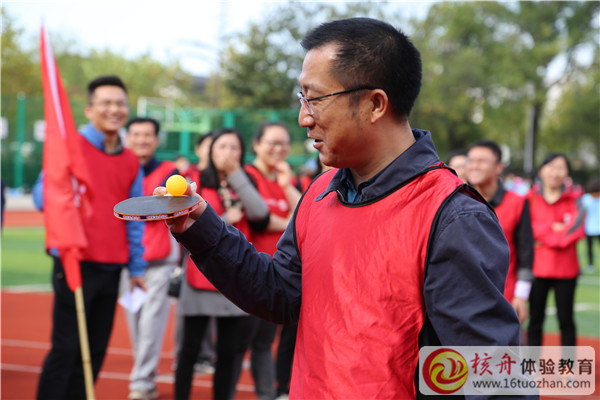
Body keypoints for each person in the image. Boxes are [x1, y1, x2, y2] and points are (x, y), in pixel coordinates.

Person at [156, 18, 524, 399]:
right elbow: (280, 292)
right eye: (302, 99)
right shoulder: (319, 192)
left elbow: (492, 377)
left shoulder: (452, 216)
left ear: (374, 104)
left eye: (314, 98)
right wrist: (202, 227)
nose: (304, 118)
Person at [34, 75, 147, 399]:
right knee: (67, 348)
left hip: (112, 268)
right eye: (106, 103)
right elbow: (42, 198)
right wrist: (62, 187)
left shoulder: (130, 160)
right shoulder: (69, 149)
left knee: (95, 351)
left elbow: (134, 219)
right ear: (89, 109)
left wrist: (137, 268)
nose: (114, 109)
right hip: (75, 263)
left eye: (120, 103)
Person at [175, 128, 270, 400]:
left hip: (233, 277)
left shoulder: (245, 180)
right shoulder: (195, 181)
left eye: (234, 147)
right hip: (199, 275)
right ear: (210, 151)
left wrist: (236, 176)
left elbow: (259, 213)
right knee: (189, 349)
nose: (228, 153)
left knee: (228, 351)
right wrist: (226, 218)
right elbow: (188, 225)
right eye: (222, 147)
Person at [240, 121, 302, 400]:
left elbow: (303, 215)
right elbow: (260, 219)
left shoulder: (285, 178)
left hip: (277, 275)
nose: (279, 149)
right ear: (256, 145)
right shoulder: (247, 177)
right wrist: (290, 222)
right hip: (250, 271)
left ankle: (269, 394)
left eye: (284, 144)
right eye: (272, 143)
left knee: (265, 343)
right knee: (238, 345)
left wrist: (286, 185)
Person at [121, 117, 180, 400]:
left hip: (159, 262)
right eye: (136, 134)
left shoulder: (170, 173)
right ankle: (146, 376)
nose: (141, 140)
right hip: (128, 262)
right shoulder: (121, 169)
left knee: (150, 324)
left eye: (147, 135)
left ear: (156, 140)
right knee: (134, 323)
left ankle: (142, 382)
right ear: (128, 138)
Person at [466, 140, 534, 323]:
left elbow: (526, 251)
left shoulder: (517, 203)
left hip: (504, 296)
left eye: (482, 161)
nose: (474, 166)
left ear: (498, 167)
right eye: (471, 160)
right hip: (464, 297)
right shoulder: (458, 200)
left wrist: (521, 295)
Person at [526, 153, 586, 347]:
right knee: (535, 321)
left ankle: (567, 365)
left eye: (561, 167)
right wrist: (554, 228)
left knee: (566, 321)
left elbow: (576, 231)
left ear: (567, 173)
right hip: (536, 269)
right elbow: (526, 230)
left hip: (566, 271)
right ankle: (531, 364)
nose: (555, 172)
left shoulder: (575, 200)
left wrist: (542, 236)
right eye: (551, 166)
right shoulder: (529, 198)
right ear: (541, 170)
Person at [581, 177, 600, 272]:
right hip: (591, 226)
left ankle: (590, 265)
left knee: (589, 248)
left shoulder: (586, 198)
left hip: (589, 227)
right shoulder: (586, 198)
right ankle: (590, 264)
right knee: (589, 247)